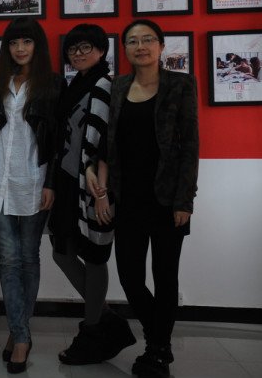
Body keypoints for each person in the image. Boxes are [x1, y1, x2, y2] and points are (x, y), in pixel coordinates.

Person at [104, 19, 198, 378]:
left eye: (147, 40)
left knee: (165, 277)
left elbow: (190, 145)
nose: (140, 46)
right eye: (132, 41)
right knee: (129, 276)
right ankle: (158, 340)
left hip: (167, 198)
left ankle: (158, 352)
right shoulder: (118, 86)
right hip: (127, 197)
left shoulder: (180, 84)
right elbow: (110, 143)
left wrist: (185, 201)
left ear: (160, 45)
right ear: (125, 49)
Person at [48, 24, 135, 365]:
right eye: (73, 49)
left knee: (95, 255)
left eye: (86, 47)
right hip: (67, 179)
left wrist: (101, 191)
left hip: (94, 184)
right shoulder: (74, 84)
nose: (79, 53)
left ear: (101, 51)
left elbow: (109, 141)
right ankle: (106, 320)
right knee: (63, 252)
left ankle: (94, 329)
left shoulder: (105, 86)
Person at [0, 17, 65, 374]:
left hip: (33, 179)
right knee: (9, 259)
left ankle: (19, 333)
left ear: (37, 45)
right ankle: (20, 334)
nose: (19, 48)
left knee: (28, 257)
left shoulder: (53, 84)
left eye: (26, 42)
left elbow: (58, 138)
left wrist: (51, 183)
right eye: (14, 43)